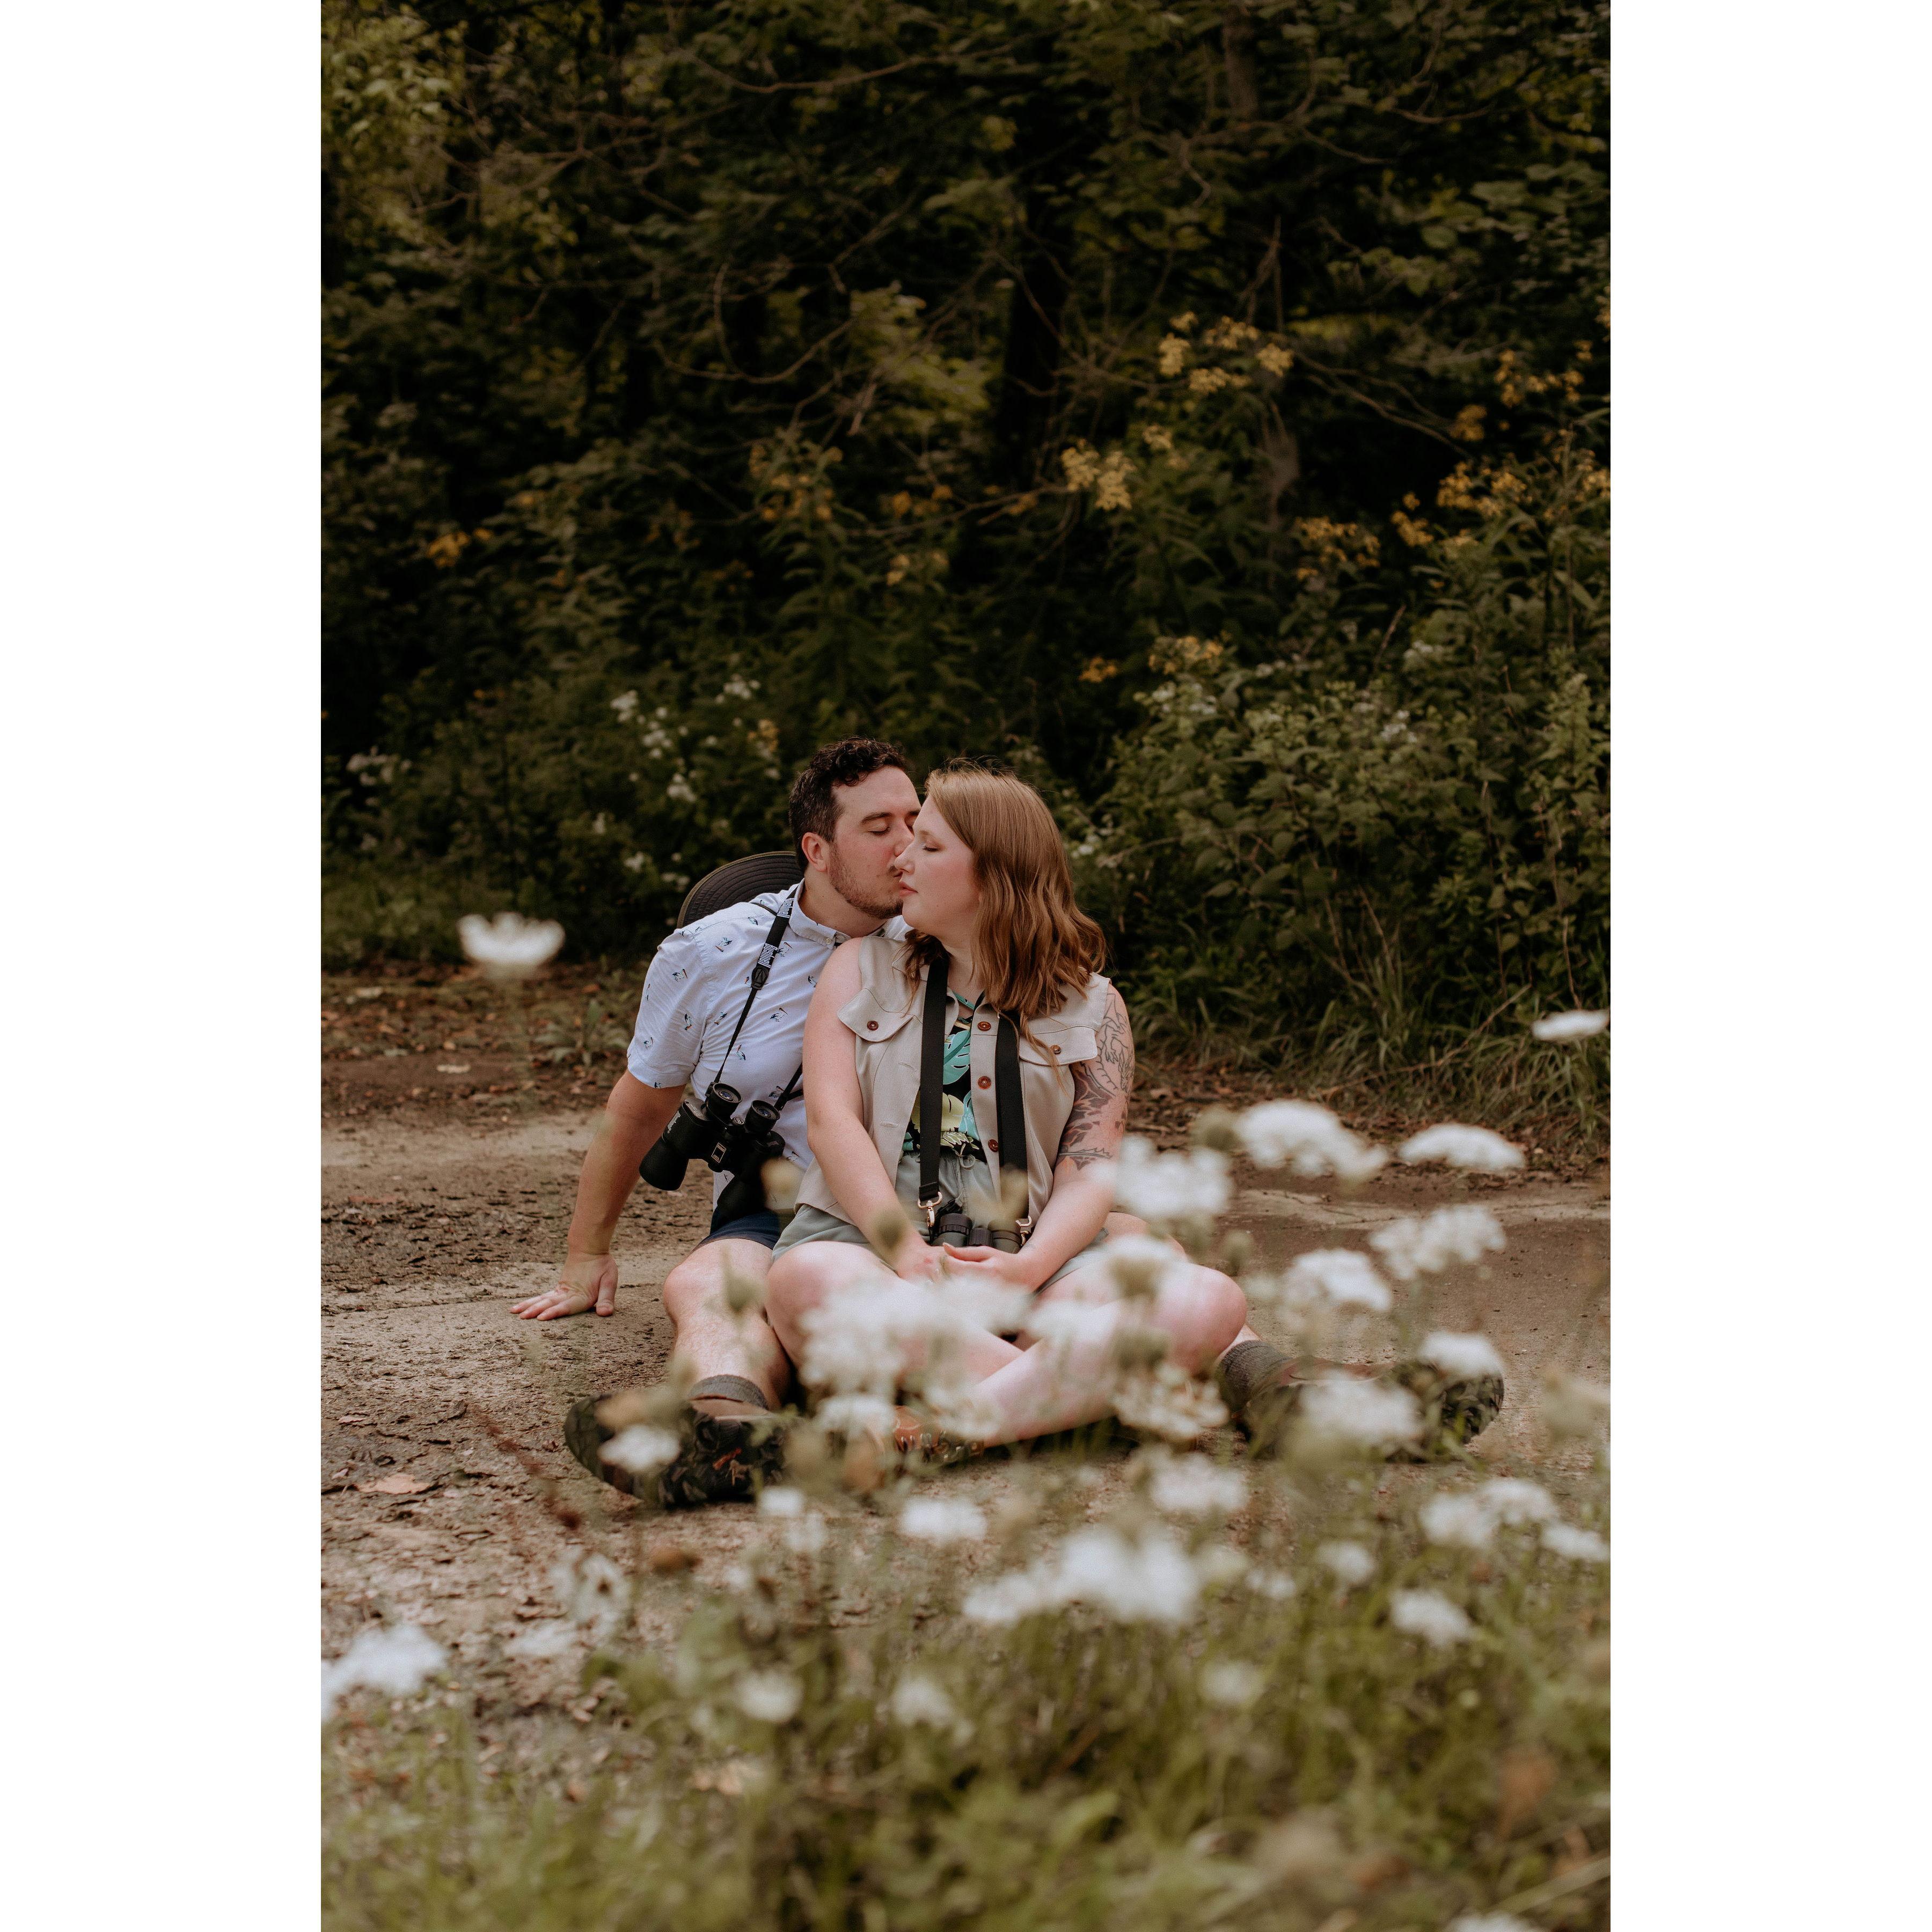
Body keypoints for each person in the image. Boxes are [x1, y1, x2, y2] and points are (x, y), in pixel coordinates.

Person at [760, 762, 1252, 1454]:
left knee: (1209, 1299)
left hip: (1035, 1270)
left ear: (995, 874)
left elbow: (1091, 1167)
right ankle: (1069, 1402)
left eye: (929, 845)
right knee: (808, 1279)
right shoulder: (858, 968)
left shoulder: (1095, 1005)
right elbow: (831, 1122)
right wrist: (906, 1255)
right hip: (877, 1260)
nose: (902, 859)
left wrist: (1028, 1269)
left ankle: (944, 1426)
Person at [521, 738, 920, 1506]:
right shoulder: (711, 951)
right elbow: (639, 1108)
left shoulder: (951, 935)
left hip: (930, 1200)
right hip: (777, 1208)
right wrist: (586, 1252)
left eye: (915, 821)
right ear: (818, 849)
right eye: (879, 828)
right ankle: (724, 1428)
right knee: (707, 1283)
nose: (906, 845)